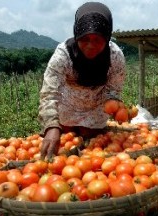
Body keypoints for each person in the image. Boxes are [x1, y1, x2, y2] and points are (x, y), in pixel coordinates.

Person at [38, 2, 126, 160]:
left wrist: (114, 105)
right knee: (67, 147)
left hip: (95, 113)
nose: (91, 45)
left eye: (98, 39)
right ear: (76, 35)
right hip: (68, 108)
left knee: (92, 152)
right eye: (84, 39)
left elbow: (113, 89)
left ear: (107, 37)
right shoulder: (63, 55)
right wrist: (51, 126)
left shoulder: (115, 57)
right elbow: (49, 94)